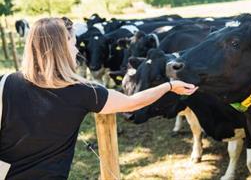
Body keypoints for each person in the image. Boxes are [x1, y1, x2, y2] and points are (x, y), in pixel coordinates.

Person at [0, 17, 198, 179]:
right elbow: (133, 102)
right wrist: (169, 86)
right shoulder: (85, 92)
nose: (77, 50)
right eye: (73, 44)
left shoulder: (5, 82)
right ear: (61, 49)